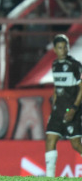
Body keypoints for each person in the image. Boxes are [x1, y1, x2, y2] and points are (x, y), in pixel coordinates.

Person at [45, 34, 82, 177]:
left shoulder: (74, 65)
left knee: (76, 144)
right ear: (55, 49)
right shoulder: (55, 65)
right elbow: (56, 88)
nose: (63, 50)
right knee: (50, 139)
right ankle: (49, 176)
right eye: (60, 47)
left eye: (65, 46)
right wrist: (54, 106)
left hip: (72, 109)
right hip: (58, 110)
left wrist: (74, 108)